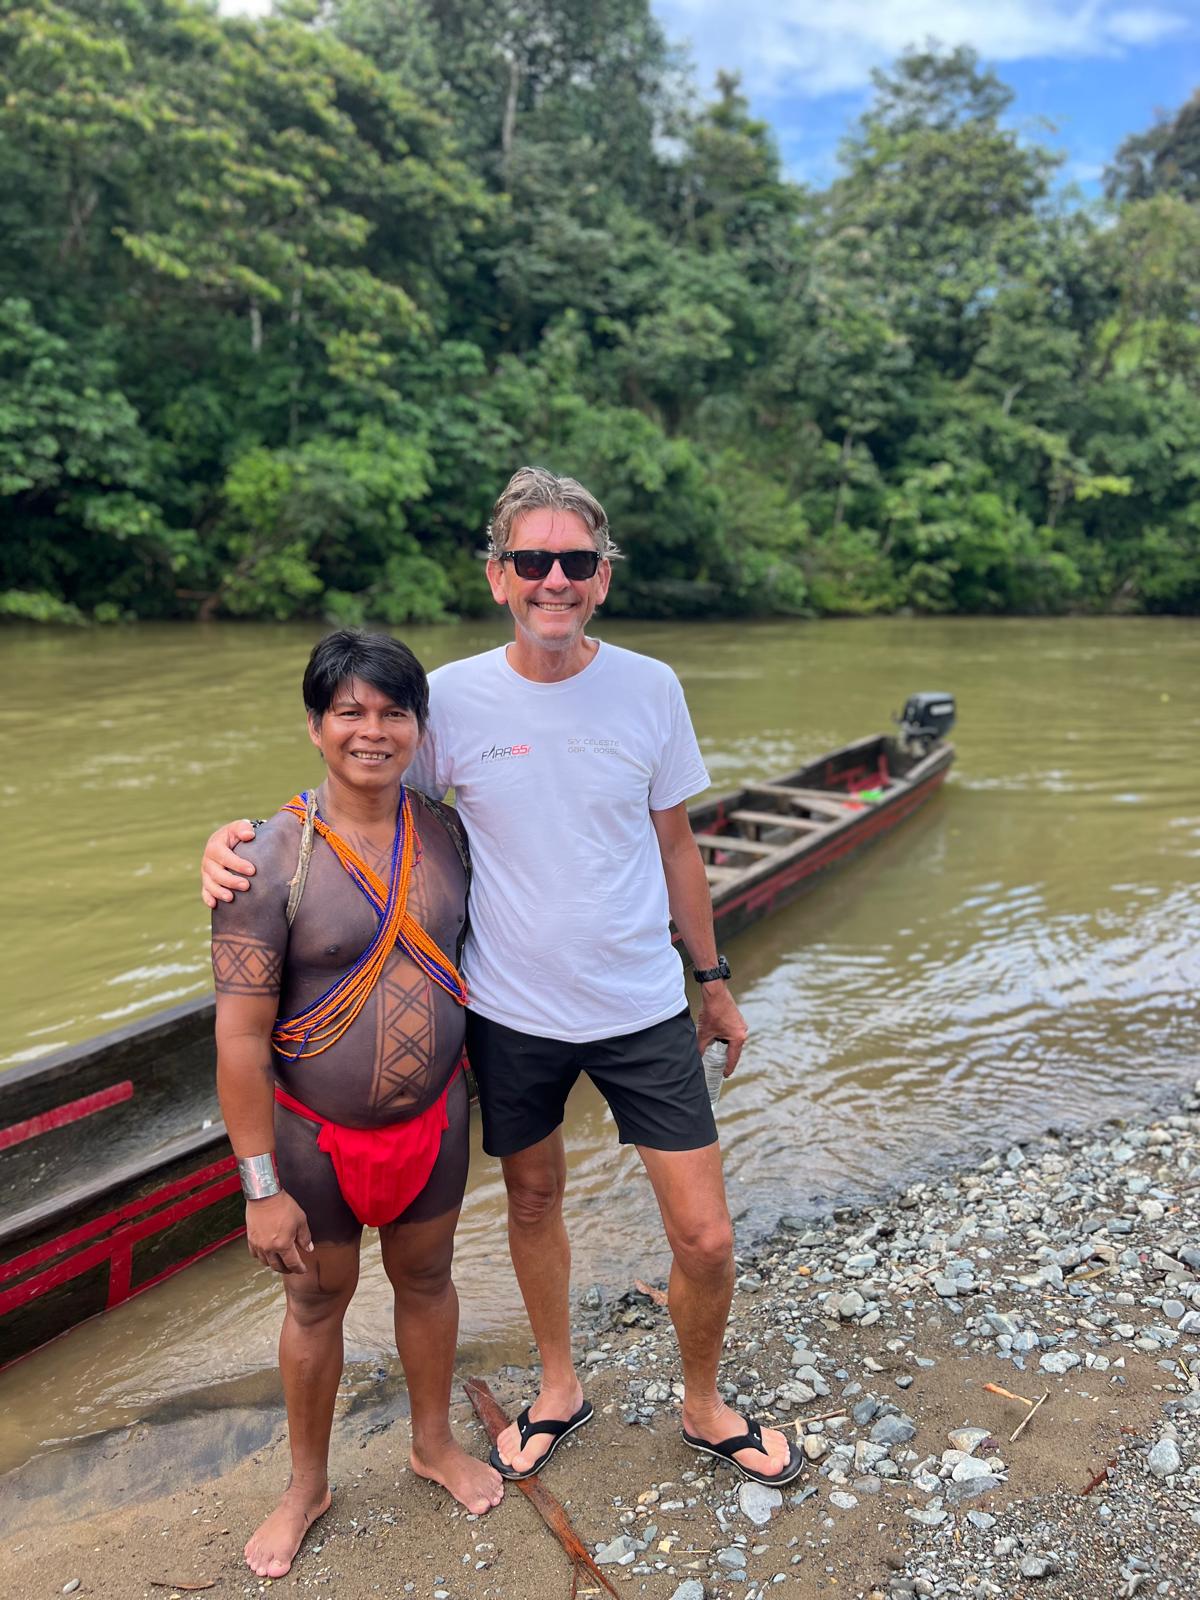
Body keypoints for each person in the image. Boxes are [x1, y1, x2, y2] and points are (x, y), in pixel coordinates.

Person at [204, 467, 801, 1490]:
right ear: (498, 576)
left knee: (705, 1234)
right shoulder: (455, 698)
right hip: (510, 1011)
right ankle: (558, 1385)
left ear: (602, 578)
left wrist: (712, 979)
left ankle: (704, 1405)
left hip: (640, 1004)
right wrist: (238, 845)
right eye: (532, 560)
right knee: (532, 1198)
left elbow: (677, 847)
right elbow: (363, 787)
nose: (553, 578)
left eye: (575, 561)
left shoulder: (651, 688)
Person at [211, 630, 503, 1583]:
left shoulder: (452, 833)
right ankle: (306, 1485)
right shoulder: (266, 860)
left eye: (393, 712)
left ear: (418, 727)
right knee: (314, 1301)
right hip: (312, 1139)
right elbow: (239, 1040)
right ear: (315, 726)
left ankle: (432, 1442)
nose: (372, 731)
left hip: (436, 1120)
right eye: (350, 712)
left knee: (429, 1280)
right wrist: (260, 1189)